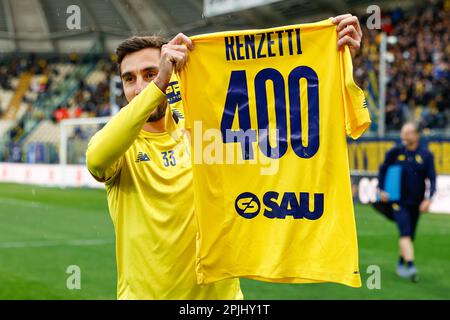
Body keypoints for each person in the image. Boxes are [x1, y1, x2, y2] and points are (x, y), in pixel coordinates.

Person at [86, 14, 363, 299]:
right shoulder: (121, 145)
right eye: (129, 79)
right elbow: (95, 159)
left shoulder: (205, 131)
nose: (140, 86)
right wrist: (159, 84)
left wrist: (334, 59)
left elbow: (280, 114)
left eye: (150, 73)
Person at [378, 122, 436, 282]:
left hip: (416, 202)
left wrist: (429, 199)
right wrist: (381, 189)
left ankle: (400, 263)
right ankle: (410, 266)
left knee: (410, 235)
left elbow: (432, 178)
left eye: (408, 132)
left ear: (416, 135)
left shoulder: (426, 155)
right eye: (403, 132)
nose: (404, 135)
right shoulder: (395, 152)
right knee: (405, 232)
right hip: (398, 201)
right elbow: (383, 169)